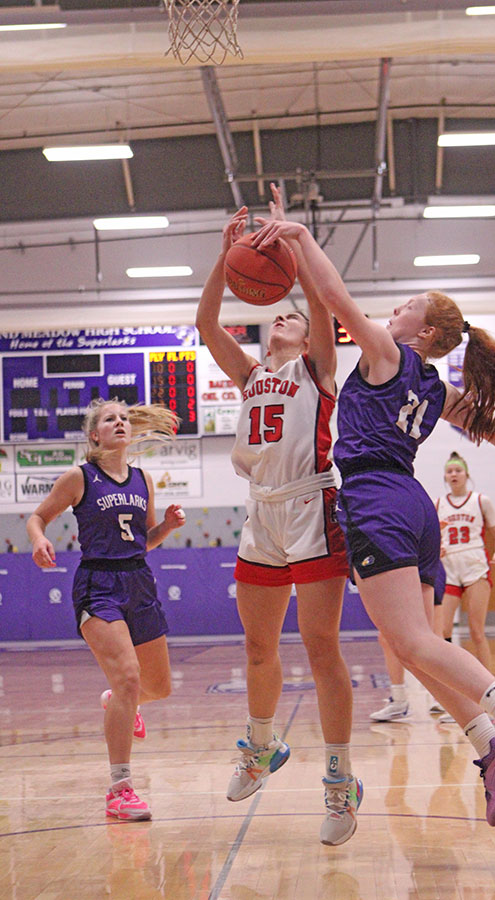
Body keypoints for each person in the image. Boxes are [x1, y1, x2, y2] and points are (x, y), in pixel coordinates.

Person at [250, 214, 495, 828]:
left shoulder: (389, 354)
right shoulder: (432, 385)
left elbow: (334, 296)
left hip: (377, 500)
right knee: (419, 650)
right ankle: (490, 749)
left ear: (421, 330)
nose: (391, 311)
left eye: (402, 307)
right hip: (414, 506)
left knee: (412, 643)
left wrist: (298, 236)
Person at [195, 187, 361, 846]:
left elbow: (321, 302)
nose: (279, 322)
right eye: (275, 319)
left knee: (321, 647)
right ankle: (261, 749)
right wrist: (221, 258)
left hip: (313, 504)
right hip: (261, 514)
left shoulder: (319, 369)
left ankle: (341, 781)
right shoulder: (249, 375)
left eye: (288, 316)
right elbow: (208, 326)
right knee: (258, 647)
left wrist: (294, 239)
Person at [27, 399, 185, 821]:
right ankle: (120, 789)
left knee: (159, 687)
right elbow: (37, 518)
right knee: (130, 676)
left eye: (123, 418)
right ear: (95, 434)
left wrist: (166, 527)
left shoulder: (143, 479)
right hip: (98, 585)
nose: (119, 422)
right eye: (109, 419)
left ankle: (118, 700)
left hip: (139, 580)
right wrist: (39, 539)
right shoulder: (80, 477)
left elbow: (143, 540)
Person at [437, 450, 495, 671]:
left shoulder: (480, 500)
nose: (454, 474)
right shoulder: (438, 504)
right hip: (448, 568)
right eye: (449, 471)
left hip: (475, 565)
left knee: (476, 631)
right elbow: (431, 537)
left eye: (458, 470)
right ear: (445, 477)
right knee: (443, 631)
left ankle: (490, 685)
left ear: (467, 474)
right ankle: (450, 680)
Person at [370, 560, 447, 723]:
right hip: (394, 565)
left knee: (432, 638)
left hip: (418, 565)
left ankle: (449, 699)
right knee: (387, 638)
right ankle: (399, 701)